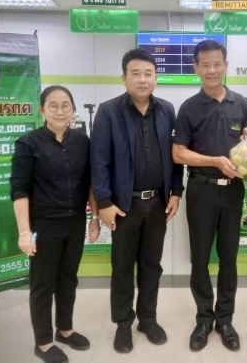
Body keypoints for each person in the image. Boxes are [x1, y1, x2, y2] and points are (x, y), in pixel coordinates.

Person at [90, 48, 184, 353]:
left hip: (157, 203)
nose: (143, 79)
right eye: (136, 73)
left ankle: (148, 318)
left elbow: (176, 156)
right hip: (122, 207)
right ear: (124, 78)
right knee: (122, 267)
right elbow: (99, 161)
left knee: (151, 265)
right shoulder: (108, 112)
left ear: (156, 77)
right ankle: (122, 324)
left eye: (148, 73)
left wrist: (176, 191)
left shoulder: (167, 110)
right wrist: (104, 203)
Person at [10, 85, 100, 363]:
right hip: (43, 224)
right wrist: (24, 232)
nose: (60, 111)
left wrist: (94, 218)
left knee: (68, 279)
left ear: (73, 110)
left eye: (65, 105)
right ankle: (43, 342)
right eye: (53, 106)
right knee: (43, 283)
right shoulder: (28, 144)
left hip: (75, 221)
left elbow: (91, 184)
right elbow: (19, 190)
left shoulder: (83, 141)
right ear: (42, 110)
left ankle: (65, 329)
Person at [172, 39, 247, 352]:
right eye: (205, 65)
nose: (212, 70)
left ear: (226, 65)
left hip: (233, 192)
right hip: (201, 189)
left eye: (218, 64)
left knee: (229, 258)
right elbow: (178, 153)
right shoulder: (188, 108)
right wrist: (215, 161)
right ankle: (204, 318)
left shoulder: (240, 103)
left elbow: (245, 142)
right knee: (201, 258)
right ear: (196, 68)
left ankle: (225, 319)